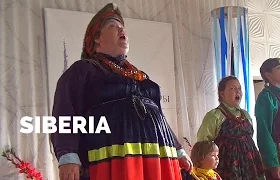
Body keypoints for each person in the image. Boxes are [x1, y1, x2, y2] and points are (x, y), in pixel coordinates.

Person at [50, 3, 192, 180]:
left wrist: (178, 150)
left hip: (156, 165)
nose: (121, 30)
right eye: (113, 26)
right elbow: (64, 111)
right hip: (111, 166)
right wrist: (67, 155)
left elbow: (159, 118)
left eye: (122, 27)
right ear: (96, 38)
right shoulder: (83, 70)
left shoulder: (141, 77)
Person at [197, 76, 265, 180]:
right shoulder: (214, 115)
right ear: (222, 94)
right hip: (226, 166)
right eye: (232, 88)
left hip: (249, 164)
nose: (237, 91)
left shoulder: (246, 115)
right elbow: (202, 145)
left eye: (239, 88)